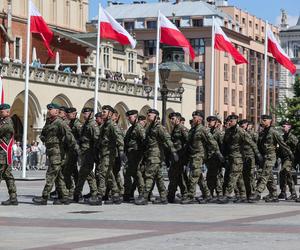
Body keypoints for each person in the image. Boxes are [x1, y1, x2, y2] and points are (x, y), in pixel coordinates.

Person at [32, 103, 78, 205]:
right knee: (58, 176)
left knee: (51, 174)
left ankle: (44, 197)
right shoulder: (49, 121)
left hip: (58, 152)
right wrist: (45, 139)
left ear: (56, 111)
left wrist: (71, 149)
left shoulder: (60, 122)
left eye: (51, 109)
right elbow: (43, 133)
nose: (49, 111)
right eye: (48, 109)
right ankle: (64, 197)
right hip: (51, 151)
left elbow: (69, 136)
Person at [135, 109, 178, 205]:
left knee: (149, 176)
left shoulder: (159, 128)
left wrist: (174, 152)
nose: (148, 116)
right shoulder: (149, 127)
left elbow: (167, 139)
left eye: (150, 115)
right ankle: (163, 197)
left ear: (156, 116)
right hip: (150, 155)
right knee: (158, 177)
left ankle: (145, 197)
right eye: (148, 115)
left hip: (155, 155)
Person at [181, 111, 222, 204]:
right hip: (192, 155)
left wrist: (218, 153)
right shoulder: (192, 130)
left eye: (194, 117)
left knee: (193, 175)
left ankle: (190, 196)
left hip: (199, 155)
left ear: (200, 119)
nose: (193, 119)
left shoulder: (203, 129)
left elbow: (212, 142)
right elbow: (188, 144)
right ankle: (207, 195)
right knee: (199, 177)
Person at [250, 115, 294, 203]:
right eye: (261, 120)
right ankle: (274, 195)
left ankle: (257, 193)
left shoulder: (274, 132)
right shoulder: (262, 132)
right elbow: (259, 145)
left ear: (270, 121)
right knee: (269, 176)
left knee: (264, 174)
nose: (262, 122)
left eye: (264, 120)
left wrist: (291, 154)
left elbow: (282, 144)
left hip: (271, 156)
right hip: (264, 157)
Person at [219, 115, 261, 204]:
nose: (229, 122)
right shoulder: (228, 131)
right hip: (230, 157)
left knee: (233, 176)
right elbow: (225, 144)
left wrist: (257, 154)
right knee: (239, 178)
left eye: (231, 121)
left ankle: (227, 195)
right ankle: (243, 195)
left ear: (235, 121)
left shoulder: (241, 131)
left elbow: (252, 143)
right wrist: (224, 156)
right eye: (228, 121)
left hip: (238, 158)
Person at [95, 105, 125, 204]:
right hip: (103, 153)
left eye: (104, 112)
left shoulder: (112, 125)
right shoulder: (104, 125)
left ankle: (99, 196)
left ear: (110, 114)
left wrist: (121, 151)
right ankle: (116, 195)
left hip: (109, 153)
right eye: (102, 111)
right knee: (109, 174)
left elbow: (119, 137)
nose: (102, 113)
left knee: (103, 174)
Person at [73, 107, 100, 205]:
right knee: (84, 174)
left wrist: (95, 153)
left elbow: (97, 139)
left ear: (91, 114)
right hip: (84, 152)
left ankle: (94, 194)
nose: (85, 115)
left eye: (87, 113)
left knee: (88, 174)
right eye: (83, 113)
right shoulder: (86, 124)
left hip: (89, 153)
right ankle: (77, 194)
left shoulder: (93, 125)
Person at [123, 110, 145, 202]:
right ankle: (128, 193)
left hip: (137, 155)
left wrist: (142, 156)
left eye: (130, 117)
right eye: (128, 117)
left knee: (137, 173)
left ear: (135, 117)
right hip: (130, 155)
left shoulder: (139, 128)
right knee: (127, 172)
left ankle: (142, 193)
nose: (128, 119)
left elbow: (144, 141)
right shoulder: (131, 129)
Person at [167, 112, 188, 203]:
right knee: (177, 176)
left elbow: (188, 142)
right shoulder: (174, 128)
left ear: (178, 119)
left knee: (177, 176)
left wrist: (183, 155)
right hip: (175, 157)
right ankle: (174, 195)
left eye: (173, 119)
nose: (171, 121)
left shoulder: (182, 128)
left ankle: (177, 195)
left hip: (180, 156)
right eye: (170, 119)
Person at [0, 103, 18, 205]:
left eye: (1, 111)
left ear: (6, 111)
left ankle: (13, 197)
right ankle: (13, 197)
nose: (1, 113)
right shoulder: (3, 121)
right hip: (3, 153)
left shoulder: (7, 123)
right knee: (8, 175)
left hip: (3, 154)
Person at [277, 120, 298, 200]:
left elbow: (297, 148)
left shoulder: (292, 137)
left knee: (283, 171)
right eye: (282, 126)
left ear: (289, 127)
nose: (283, 128)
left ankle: (290, 193)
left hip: (289, 158)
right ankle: (285, 192)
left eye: (284, 126)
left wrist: (295, 159)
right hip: (283, 158)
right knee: (286, 174)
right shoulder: (282, 137)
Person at [63, 107, 81, 199]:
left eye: (74, 113)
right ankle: (73, 191)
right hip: (70, 151)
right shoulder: (68, 123)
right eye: (70, 113)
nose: (73, 114)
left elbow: (82, 137)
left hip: (76, 151)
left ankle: (76, 192)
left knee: (72, 172)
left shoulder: (77, 124)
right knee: (71, 172)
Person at [205, 115, 224, 200]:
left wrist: (221, 156)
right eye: (208, 121)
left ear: (216, 123)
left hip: (216, 158)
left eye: (211, 121)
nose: (209, 123)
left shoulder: (218, 133)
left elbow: (222, 145)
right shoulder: (208, 132)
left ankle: (219, 193)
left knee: (218, 176)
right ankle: (210, 192)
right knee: (210, 176)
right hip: (210, 158)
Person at [238, 119, 258, 200]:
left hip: (251, 157)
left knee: (251, 175)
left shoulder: (253, 134)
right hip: (243, 157)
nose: (242, 128)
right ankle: (246, 194)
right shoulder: (240, 134)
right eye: (241, 127)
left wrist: (257, 156)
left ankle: (252, 193)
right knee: (244, 176)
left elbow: (256, 145)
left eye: (243, 126)